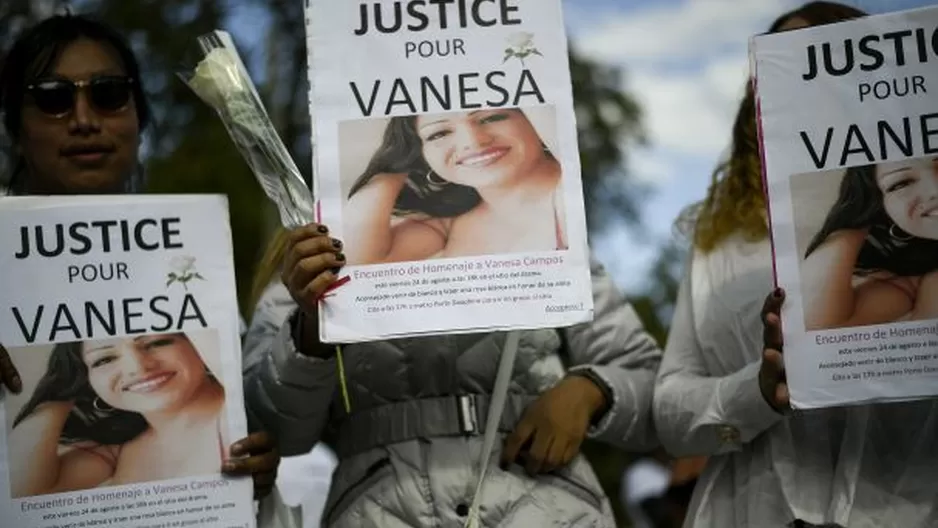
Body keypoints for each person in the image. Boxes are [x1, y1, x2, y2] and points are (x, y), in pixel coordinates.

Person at [655, 2, 938, 527]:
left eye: (820, 58)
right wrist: (757, 391)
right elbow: (671, 417)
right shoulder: (719, 235)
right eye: (774, 64)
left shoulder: (923, 213)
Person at [0, 14, 278, 500]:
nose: (84, 120)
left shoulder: (190, 258)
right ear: (15, 128)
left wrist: (257, 461)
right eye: (52, 98)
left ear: (138, 119)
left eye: (108, 94)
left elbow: (252, 415)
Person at [241, 224, 662, 524]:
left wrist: (591, 391)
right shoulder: (310, 255)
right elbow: (271, 432)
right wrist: (312, 328)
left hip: (550, 508)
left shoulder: (546, 221)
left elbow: (654, 390)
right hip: (378, 511)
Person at [9, 333, 230, 497]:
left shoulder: (237, 414)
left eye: (156, 342)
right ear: (86, 379)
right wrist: (57, 396)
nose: (138, 367)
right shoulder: (118, 450)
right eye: (104, 360)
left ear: (195, 343)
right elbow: (27, 495)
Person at [343, 107, 566, 265]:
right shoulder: (449, 224)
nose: (473, 141)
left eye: (492, 117)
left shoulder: (571, 191)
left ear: (532, 119)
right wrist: (392, 166)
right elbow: (361, 262)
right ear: (419, 153)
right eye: (439, 133)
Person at [801, 156, 938, 330]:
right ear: (882, 208)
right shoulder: (923, 282)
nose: (935, 189)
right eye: (901, 184)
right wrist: (853, 225)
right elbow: (822, 328)